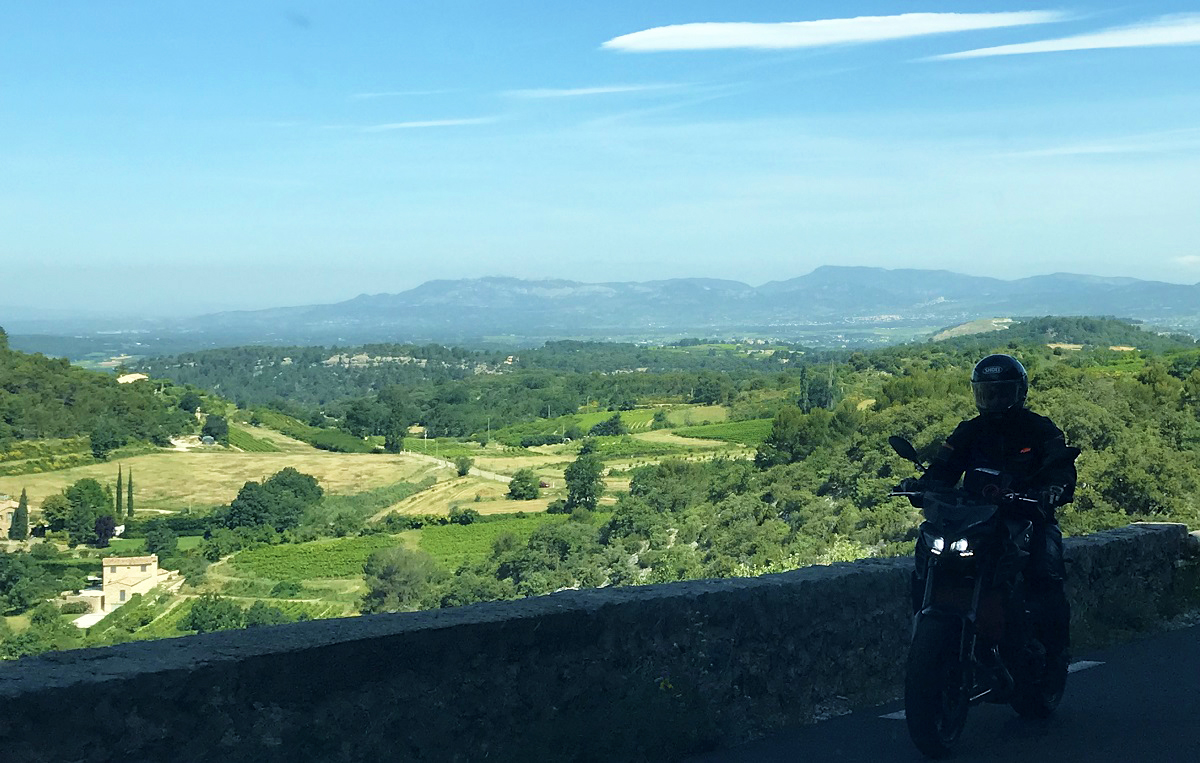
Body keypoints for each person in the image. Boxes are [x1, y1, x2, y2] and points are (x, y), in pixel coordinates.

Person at [907, 353, 1077, 683]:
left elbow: (1060, 465)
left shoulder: (1039, 430)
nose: (995, 400)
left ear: (1020, 392)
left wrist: (1055, 488)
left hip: (1027, 518)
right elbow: (942, 469)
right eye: (988, 393)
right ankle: (930, 627)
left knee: (1046, 570)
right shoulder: (969, 431)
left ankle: (1054, 653)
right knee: (929, 552)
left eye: (1002, 392)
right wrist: (920, 486)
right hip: (976, 519)